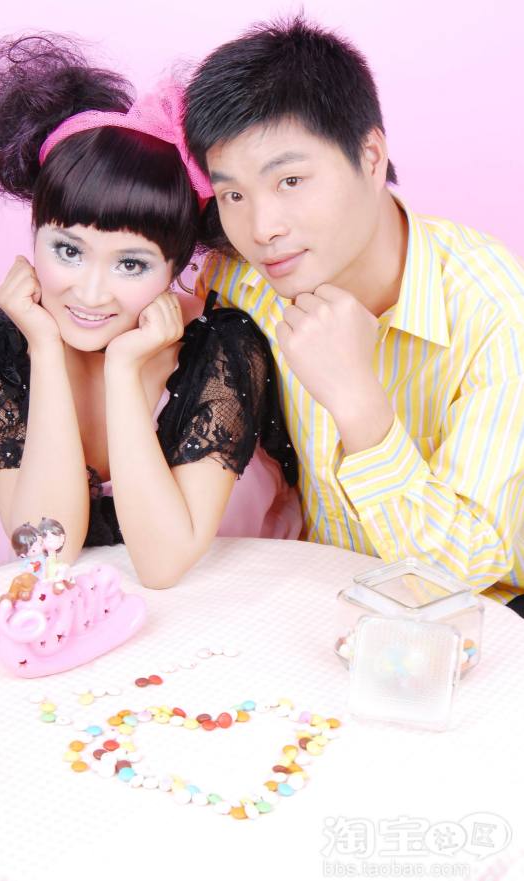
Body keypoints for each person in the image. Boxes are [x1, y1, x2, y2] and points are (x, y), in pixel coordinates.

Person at [183, 15, 524, 611]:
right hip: (320, 601)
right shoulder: (240, 281)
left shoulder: (491, 306)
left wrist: (357, 401)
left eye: (290, 180)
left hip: (476, 622)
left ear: (370, 156)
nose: (262, 228)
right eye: (233, 194)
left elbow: (464, 573)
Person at [0, 34, 300, 590]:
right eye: (68, 251)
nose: (91, 293)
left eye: (131, 265)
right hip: (88, 614)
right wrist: (44, 348)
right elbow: (47, 553)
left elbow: (163, 565)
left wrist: (122, 370)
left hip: (240, 601)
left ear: (175, 266)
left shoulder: (222, 349)